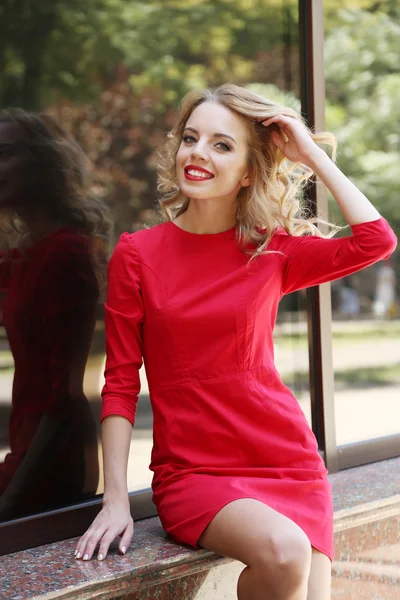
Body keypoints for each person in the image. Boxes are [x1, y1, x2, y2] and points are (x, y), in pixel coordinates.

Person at [75, 84, 397, 600]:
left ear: (249, 171)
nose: (198, 152)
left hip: (285, 459)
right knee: (285, 551)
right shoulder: (138, 254)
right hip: (193, 470)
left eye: (222, 144)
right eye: (190, 138)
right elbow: (117, 384)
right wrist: (115, 498)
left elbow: (376, 240)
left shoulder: (271, 252)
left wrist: (310, 154)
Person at [0, 110, 110, 520]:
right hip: (28, 454)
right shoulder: (27, 256)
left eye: (5, 154)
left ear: (42, 164)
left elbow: (60, 395)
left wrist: (13, 496)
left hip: (48, 463)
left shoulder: (62, 254)